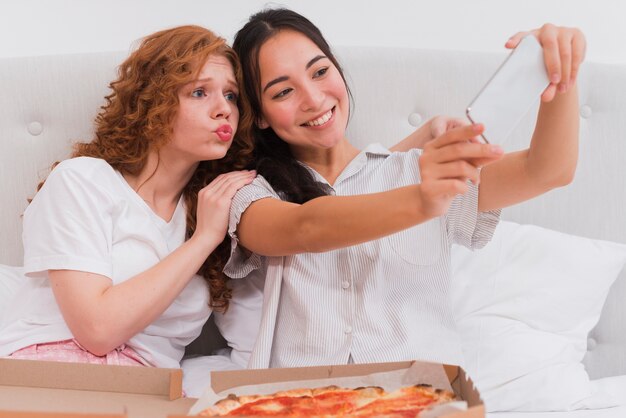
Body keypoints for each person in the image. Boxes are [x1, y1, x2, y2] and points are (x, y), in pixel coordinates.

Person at [215, 7, 585, 370]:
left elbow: (548, 170)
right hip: (301, 404)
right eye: (283, 92)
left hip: (421, 401)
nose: (312, 99)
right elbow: (307, 227)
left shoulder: (420, 171)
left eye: (321, 71)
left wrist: (561, 75)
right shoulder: (250, 194)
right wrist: (423, 199)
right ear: (259, 114)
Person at [0, 25, 256, 369]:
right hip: (50, 364)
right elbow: (97, 331)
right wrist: (202, 240)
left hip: (146, 386)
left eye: (231, 95)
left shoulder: (214, 205)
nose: (223, 109)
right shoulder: (82, 181)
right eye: (199, 93)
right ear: (154, 102)